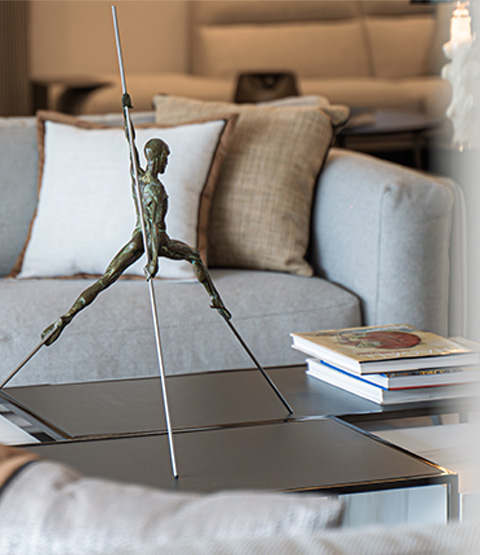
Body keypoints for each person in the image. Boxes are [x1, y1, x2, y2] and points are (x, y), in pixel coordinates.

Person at [41, 119, 231, 346]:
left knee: (106, 279)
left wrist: (127, 121)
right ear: (158, 158)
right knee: (194, 255)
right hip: (157, 241)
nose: (167, 163)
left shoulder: (137, 178)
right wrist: (154, 261)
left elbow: (131, 148)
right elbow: (154, 227)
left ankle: (65, 318)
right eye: (166, 158)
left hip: (136, 238)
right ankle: (214, 298)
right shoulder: (156, 189)